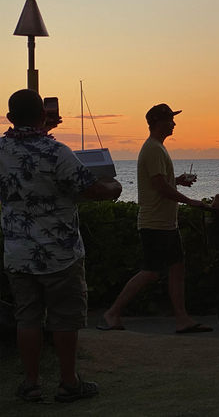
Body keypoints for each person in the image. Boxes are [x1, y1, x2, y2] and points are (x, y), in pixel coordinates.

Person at [1, 89, 122, 402]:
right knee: (64, 318)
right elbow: (93, 189)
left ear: (10, 118)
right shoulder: (58, 152)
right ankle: (69, 383)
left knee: (27, 318)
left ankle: (31, 383)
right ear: (43, 116)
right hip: (60, 254)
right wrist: (114, 187)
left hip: (19, 254)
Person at [100, 103, 211, 333]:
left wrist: (177, 180)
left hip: (166, 223)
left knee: (177, 268)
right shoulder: (152, 149)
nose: (174, 123)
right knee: (151, 271)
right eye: (171, 119)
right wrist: (189, 201)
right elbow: (160, 187)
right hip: (155, 223)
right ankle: (112, 312)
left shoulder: (157, 148)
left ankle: (182, 319)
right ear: (159, 122)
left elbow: (160, 181)